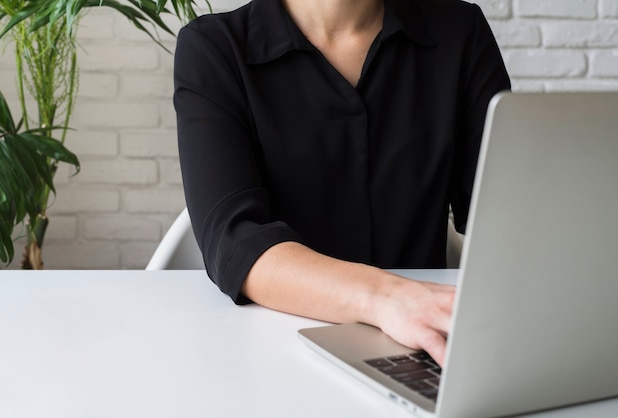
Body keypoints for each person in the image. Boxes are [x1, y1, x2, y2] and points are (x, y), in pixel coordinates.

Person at [174, 0, 510, 366]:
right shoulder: (214, 48)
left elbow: (506, 213)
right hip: (272, 349)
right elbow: (234, 240)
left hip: (423, 347)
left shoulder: (460, 31)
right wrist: (387, 299)